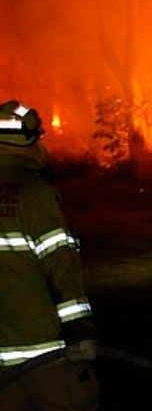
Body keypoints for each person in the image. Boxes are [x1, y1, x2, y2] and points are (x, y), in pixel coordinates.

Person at [0, 100, 99, 411]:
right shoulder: (34, 194)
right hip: (46, 354)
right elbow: (60, 264)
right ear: (30, 141)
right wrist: (79, 331)